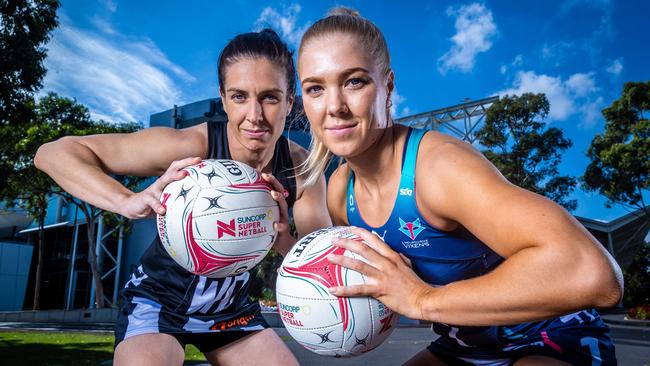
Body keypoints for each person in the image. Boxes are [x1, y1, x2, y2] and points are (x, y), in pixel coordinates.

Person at [296, 8, 623, 366]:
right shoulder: (341, 191)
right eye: (315, 88)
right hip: (464, 346)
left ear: (388, 86)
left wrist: (422, 299)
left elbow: (595, 274)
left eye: (354, 82)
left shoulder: (438, 167)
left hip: (548, 337)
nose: (334, 107)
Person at [34, 28, 331, 366]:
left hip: (232, 311)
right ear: (223, 98)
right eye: (239, 96)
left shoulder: (300, 171)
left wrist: (282, 238)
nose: (255, 115)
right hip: (158, 302)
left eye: (270, 97)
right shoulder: (193, 148)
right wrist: (126, 201)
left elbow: (317, 272)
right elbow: (54, 153)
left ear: (290, 100)